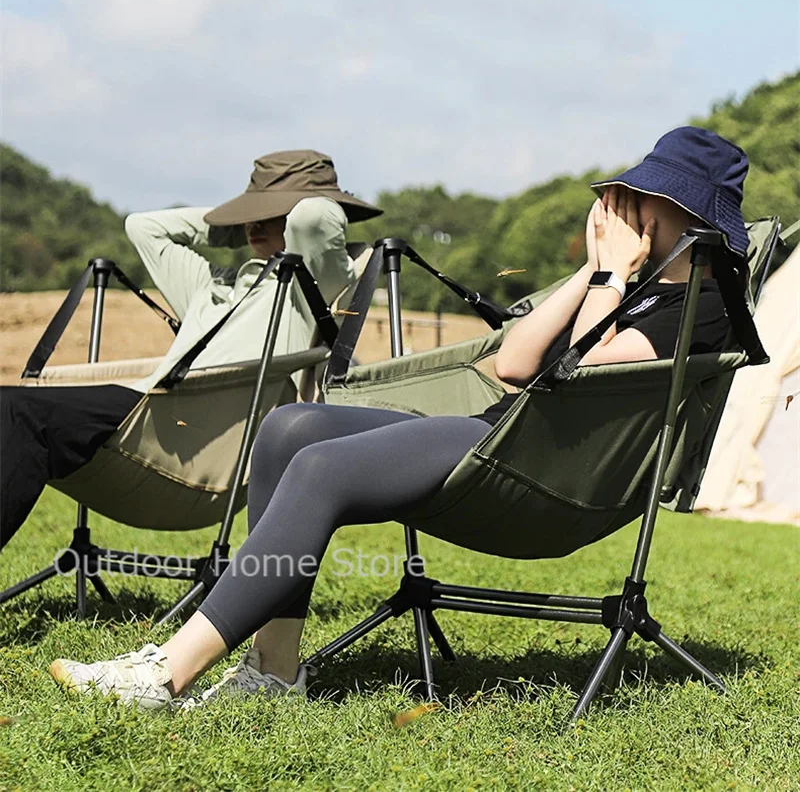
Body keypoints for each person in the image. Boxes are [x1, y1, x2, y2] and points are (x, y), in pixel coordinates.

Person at [48, 126, 749, 710]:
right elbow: (512, 363)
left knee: (324, 468)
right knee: (291, 429)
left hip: (542, 475)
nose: (623, 214)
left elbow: (580, 375)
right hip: (507, 433)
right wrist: (594, 271)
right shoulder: (629, 288)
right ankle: (276, 671)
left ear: (694, 220)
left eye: (641, 202)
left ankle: (167, 672)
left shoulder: (705, 311)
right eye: (621, 200)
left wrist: (610, 278)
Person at [0, 150, 382, 550]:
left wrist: (281, 216)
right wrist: (233, 226)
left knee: (18, 412)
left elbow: (314, 218)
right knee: (9, 404)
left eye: (273, 213)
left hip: (184, 447)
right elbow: (143, 227)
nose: (255, 223)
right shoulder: (210, 286)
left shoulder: (315, 289)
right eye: (252, 213)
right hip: (143, 421)